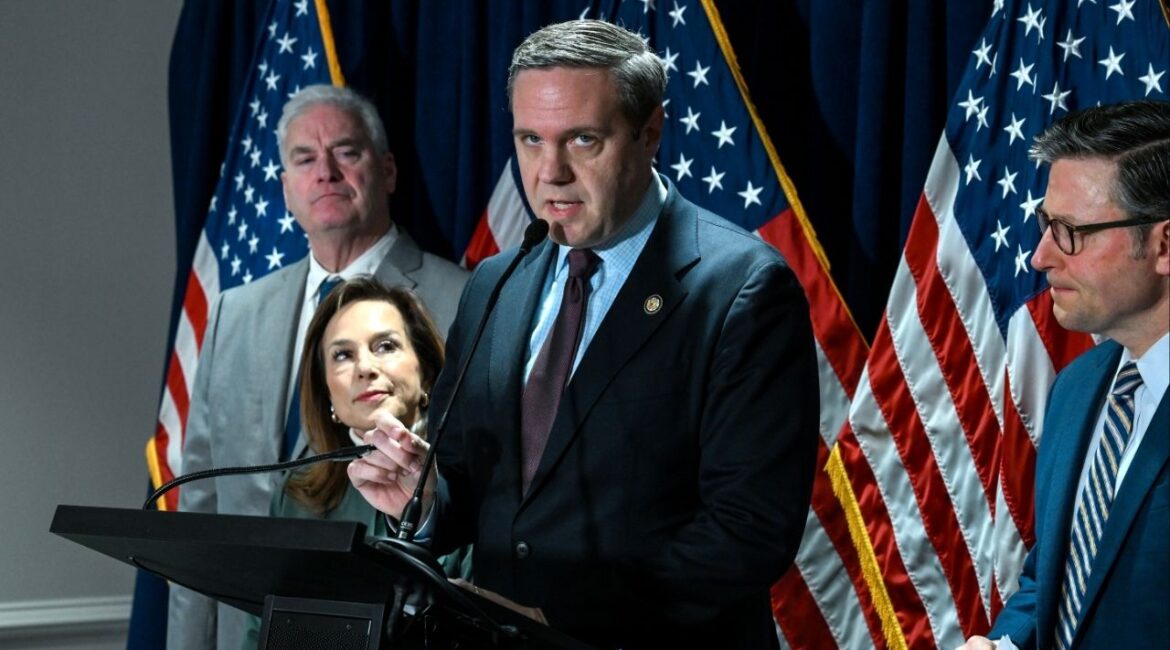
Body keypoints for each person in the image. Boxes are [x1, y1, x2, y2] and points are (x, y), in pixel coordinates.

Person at [346, 20, 820, 648]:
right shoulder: (496, 282)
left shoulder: (741, 290)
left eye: (582, 140)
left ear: (649, 134)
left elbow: (748, 530)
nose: (551, 173)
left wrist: (566, 615)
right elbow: (470, 479)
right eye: (530, 140)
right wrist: (426, 497)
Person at [168, 85, 469, 650]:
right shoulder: (234, 312)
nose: (325, 172)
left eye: (346, 152)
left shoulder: (466, 301)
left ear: (387, 170)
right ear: (286, 190)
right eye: (305, 159)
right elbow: (199, 522)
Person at [959, 101, 1169, 649]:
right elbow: (1054, 576)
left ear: (1165, 245)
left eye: (1071, 232)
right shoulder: (1077, 388)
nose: (1040, 257)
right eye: (1046, 225)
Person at [241, 277, 472, 647]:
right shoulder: (296, 495)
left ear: (426, 373)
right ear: (327, 393)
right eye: (343, 355)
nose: (365, 367)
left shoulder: (470, 478)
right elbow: (262, 632)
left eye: (385, 346)